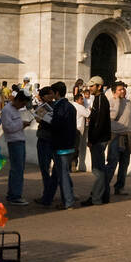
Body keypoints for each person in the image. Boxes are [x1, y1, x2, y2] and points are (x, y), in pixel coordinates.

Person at [39, 82, 79, 210]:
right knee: (58, 173)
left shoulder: (59, 107)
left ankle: (68, 201)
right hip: (69, 144)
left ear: (57, 93)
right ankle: (47, 199)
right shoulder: (71, 107)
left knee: (63, 175)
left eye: (52, 93)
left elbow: (57, 126)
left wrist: (45, 121)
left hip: (60, 145)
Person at [103, 80, 131, 200]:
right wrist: (117, 100)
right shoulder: (110, 103)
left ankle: (119, 187)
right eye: (119, 89)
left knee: (124, 164)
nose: (122, 91)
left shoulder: (128, 103)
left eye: (123, 89)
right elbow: (113, 116)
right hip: (115, 136)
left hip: (126, 136)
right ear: (114, 92)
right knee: (112, 163)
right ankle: (103, 186)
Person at [0, 89, 33, 207]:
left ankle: (14, 194)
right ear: (18, 100)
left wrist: (22, 124)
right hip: (14, 142)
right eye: (22, 103)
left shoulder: (14, 109)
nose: (22, 106)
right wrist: (21, 124)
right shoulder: (6, 110)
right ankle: (15, 195)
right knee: (17, 169)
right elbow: (7, 127)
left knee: (18, 169)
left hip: (19, 141)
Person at [84, 77, 112, 205]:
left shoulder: (101, 100)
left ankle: (96, 198)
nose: (90, 89)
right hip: (100, 139)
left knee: (98, 171)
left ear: (99, 87)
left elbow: (98, 124)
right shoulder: (98, 99)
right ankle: (103, 196)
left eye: (92, 86)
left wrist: (91, 140)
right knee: (100, 170)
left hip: (98, 140)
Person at [32, 86, 56, 204]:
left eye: (52, 93)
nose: (51, 96)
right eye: (49, 94)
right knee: (51, 169)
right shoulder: (55, 106)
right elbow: (37, 119)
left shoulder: (52, 106)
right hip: (48, 139)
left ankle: (47, 195)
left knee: (46, 168)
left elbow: (38, 119)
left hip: (46, 139)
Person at [71, 81, 91, 173]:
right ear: (77, 100)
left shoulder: (72, 105)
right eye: (81, 99)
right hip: (77, 130)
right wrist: (89, 109)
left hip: (70, 128)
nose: (83, 101)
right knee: (75, 149)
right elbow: (88, 114)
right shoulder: (79, 107)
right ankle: (73, 165)